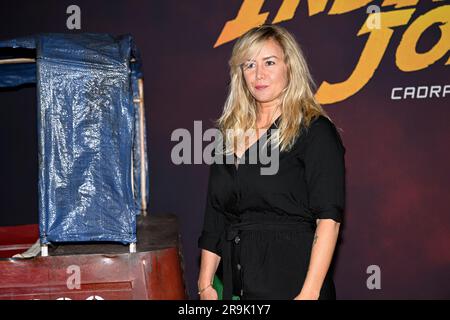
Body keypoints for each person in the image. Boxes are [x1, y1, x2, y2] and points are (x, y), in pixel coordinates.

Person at [198, 24, 345, 300]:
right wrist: (205, 284)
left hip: (294, 285)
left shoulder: (315, 131)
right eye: (249, 65)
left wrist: (310, 293)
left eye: (269, 62)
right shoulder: (228, 135)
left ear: (290, 66)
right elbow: (215, 215)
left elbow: (329, 219)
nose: (259, 74)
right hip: (237, 287)